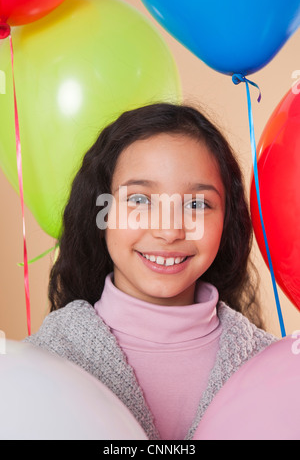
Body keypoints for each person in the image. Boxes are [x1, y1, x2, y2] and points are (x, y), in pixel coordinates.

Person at [25, 103, 277, 440]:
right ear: (102, 213)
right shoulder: (38, 365)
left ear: (226, 221)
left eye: (197, 204)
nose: (169, 231)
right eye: (140, 200)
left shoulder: (272, 369)